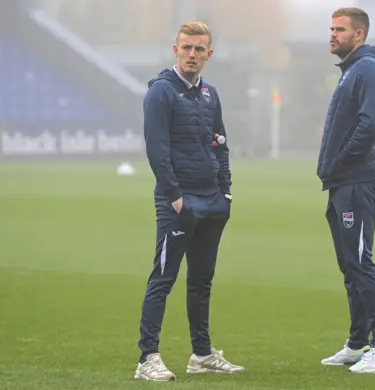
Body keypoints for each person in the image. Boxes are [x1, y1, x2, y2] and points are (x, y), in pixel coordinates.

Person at [134, 21, 244, 381]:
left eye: (199, 49)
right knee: (163, 278)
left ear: (208, 54)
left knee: (201, 281)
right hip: (179, 202)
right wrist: (174, 196)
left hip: (212, 201)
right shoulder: (161, 93)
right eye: (187, 48)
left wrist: (225, 190)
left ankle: (201, 354)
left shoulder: (210, 94)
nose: (192, 55)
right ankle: (147, 358)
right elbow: (157, 150)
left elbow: (221, 142)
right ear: (175, 50)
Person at [317, 7, 375, 374]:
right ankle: (357, 343)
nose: (333, 34)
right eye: (331, 28)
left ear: (360, 35)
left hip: (357, 180)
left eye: (340, 29)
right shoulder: (350, 70)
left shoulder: (366, 69)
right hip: (341, 182)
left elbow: (371, 125)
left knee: (360, 262)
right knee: (348, 265)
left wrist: (341, 162)